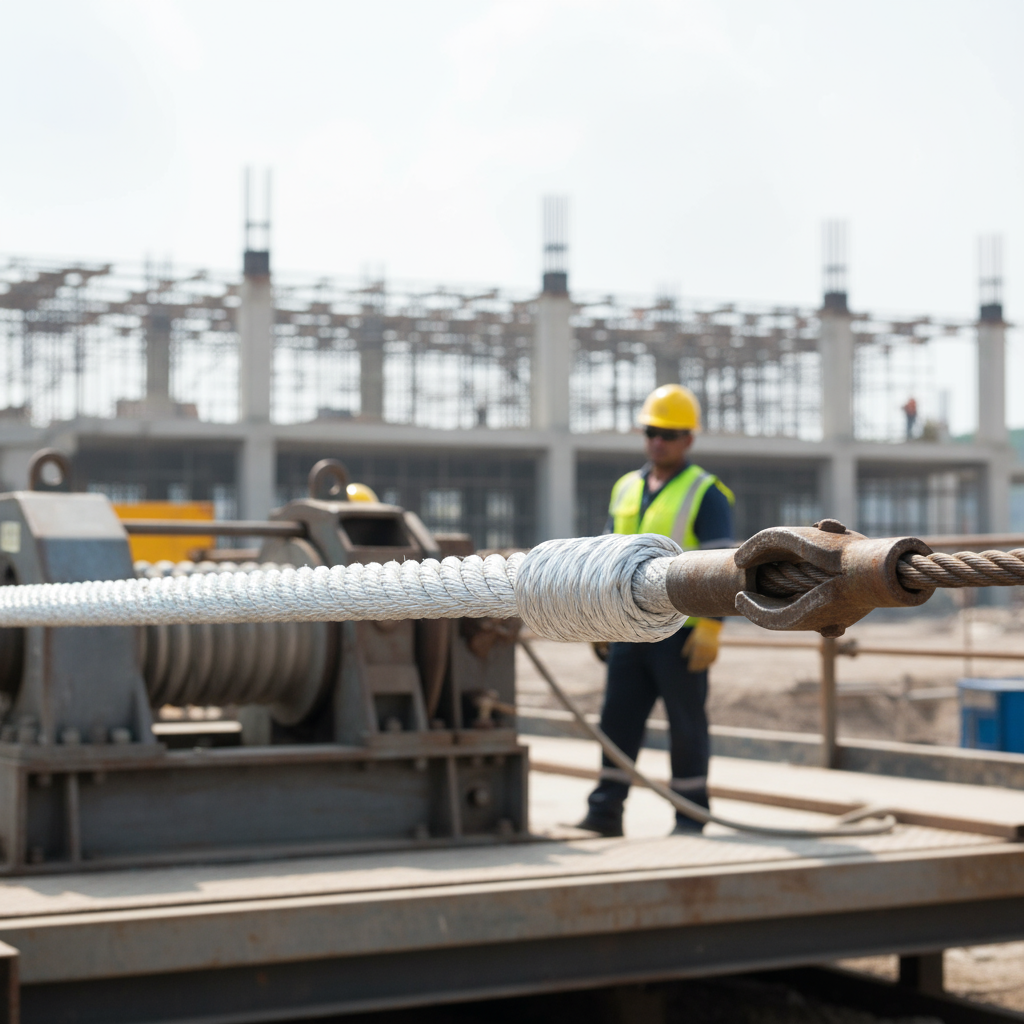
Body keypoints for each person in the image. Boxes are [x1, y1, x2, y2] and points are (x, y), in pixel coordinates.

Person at [578, 384, 734, 837]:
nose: (658, 440)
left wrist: (711, 627)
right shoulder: (626, 487)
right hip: (628, 628)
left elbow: (721, 566)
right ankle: (604, 813)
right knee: (616, 720)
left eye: (668, 432)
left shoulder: (707, 493)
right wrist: (599, 618)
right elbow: (605, 558)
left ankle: (690, 816)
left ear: (689, 439)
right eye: (651, 431)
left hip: (681, 633)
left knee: (686, 725)